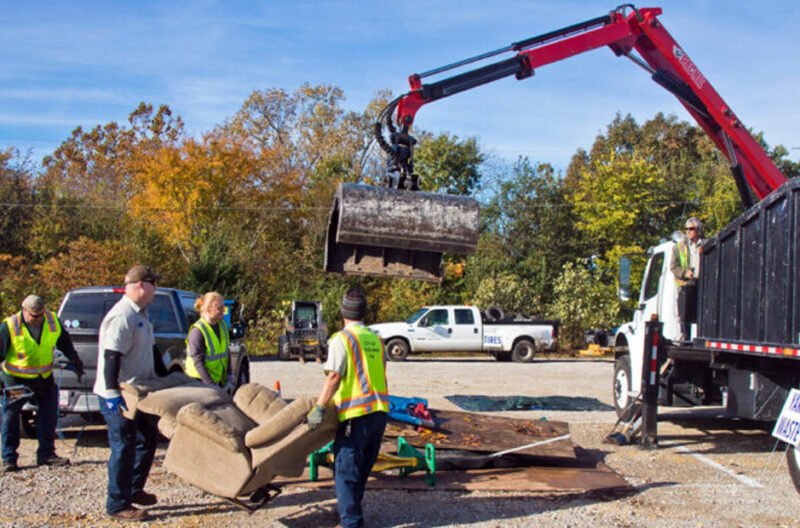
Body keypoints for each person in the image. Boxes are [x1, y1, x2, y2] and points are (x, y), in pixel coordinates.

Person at [307, 288, 389, 528]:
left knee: (346, 469)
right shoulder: (376, 339)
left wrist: (319, 407)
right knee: (361, 467)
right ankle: (347, 512)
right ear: (364, 312)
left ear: (343, 311)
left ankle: (351, 522)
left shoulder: (342, 339)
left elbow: (334, 377)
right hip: (379, 411)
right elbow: (381, 372)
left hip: (356, 414)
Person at [94, 265, 168, 522]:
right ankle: (117, 504)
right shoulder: (122, 316)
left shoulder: (142, 315)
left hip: (140, 392)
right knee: (123, 446)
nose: (155, 289)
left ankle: (134, 488)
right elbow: (111, 356)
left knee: (146, 440)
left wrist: (167, 376)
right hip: (121, 394)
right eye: (153, 284)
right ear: (141, 285)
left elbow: (153, 352)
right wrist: (112, 393)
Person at [1, 294, 84, 473]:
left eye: (41, 315)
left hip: (43, 377)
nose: (38, 319)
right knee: (10, 417)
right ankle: (9, 458)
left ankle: (46, 454)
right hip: (16, 379)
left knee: (48, 416)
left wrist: (75, 360)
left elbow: (64, 342)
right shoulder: (10, 326)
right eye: (34, 316)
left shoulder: (52, 320)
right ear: (24, 311)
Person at [184, 292, 235, 393]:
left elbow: (226, 352)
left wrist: (229, 377)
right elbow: (198, 362)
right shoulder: (198, 331)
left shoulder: (222, 326)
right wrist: (211, 385)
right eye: (219, 308)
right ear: (209, 308)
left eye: (223, 307)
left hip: (216, 382)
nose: (223, 310)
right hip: (198, 383)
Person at [670, 217, 704, 341]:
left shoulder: (705, 244)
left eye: (691, 229)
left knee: (701, 314)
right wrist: (685, 273)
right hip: (686, 285)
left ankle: (701, 338)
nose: (688, 231)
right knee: (685, 316)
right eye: (687, 229)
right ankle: (685, 338)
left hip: (702, 285)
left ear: (698, 230)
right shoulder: (678, 247)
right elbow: (673, 267)